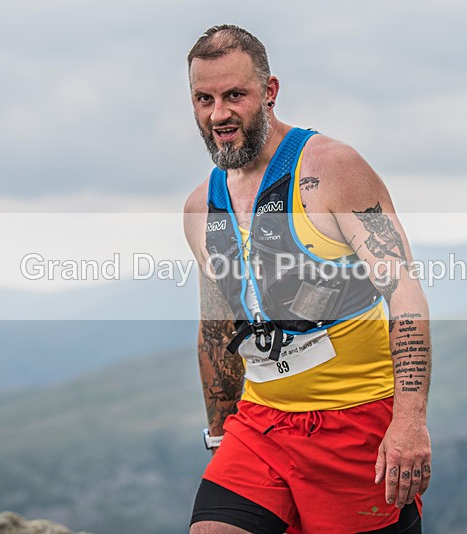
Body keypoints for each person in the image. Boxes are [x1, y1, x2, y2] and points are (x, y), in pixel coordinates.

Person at [183, 25, 432, 534]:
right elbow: (217, 326)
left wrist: (409, 421)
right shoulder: (200, 207)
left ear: (269, 91)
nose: (218, 114)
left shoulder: (332, 169)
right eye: (204, 99)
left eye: (235, 95)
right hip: (260, 422)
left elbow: (403, 291)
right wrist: (219, 428)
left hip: (354, 420)